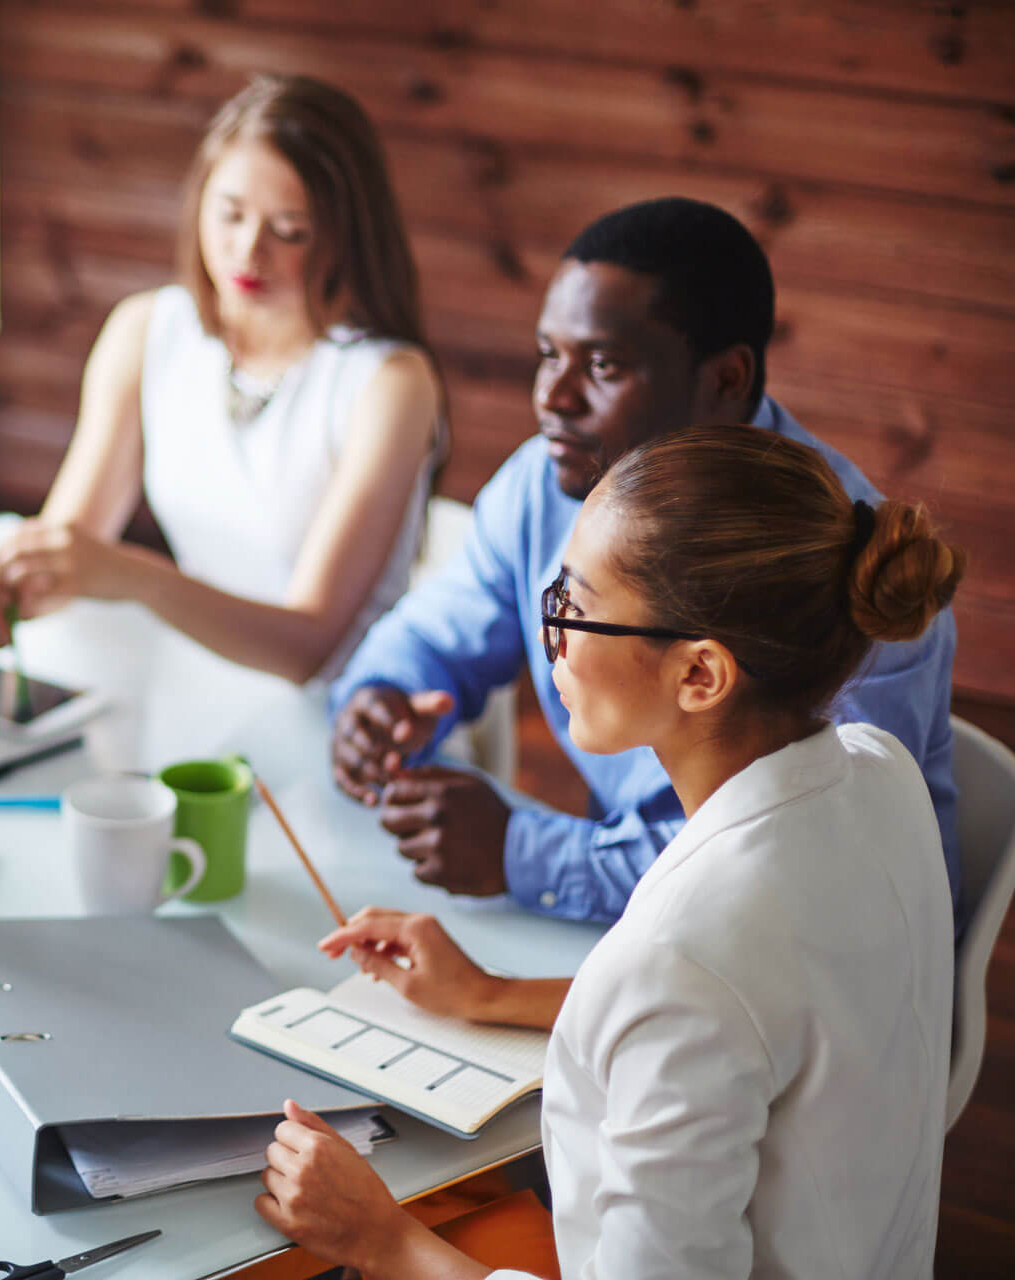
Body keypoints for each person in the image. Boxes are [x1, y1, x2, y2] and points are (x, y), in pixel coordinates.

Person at [259, 424, 962, 1277]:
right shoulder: (881, 776)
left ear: (699, 675)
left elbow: (700, 996)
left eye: (577, 606)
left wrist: (381, 1238)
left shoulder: (684, 953)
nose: (549, 630)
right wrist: (488, 992)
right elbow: (754, 1024)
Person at [330, 197, 959, 921]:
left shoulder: (839, 565)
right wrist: (379, 699)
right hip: (662, 931)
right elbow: (438, 630)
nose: (551, 397)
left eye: (601, 364)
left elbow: (798, 869)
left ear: (725, 379)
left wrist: (525, 853)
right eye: (547, 355)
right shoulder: (546, 480)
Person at [0, 74, 444, 684]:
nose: (249, 252)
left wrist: (130, 575)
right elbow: (69, 551)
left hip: (349, 714)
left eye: (289, 232)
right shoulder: (147, 330)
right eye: (229, 214)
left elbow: (307, 647)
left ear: (344, 236)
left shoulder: (390, 384)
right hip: (201, 679)